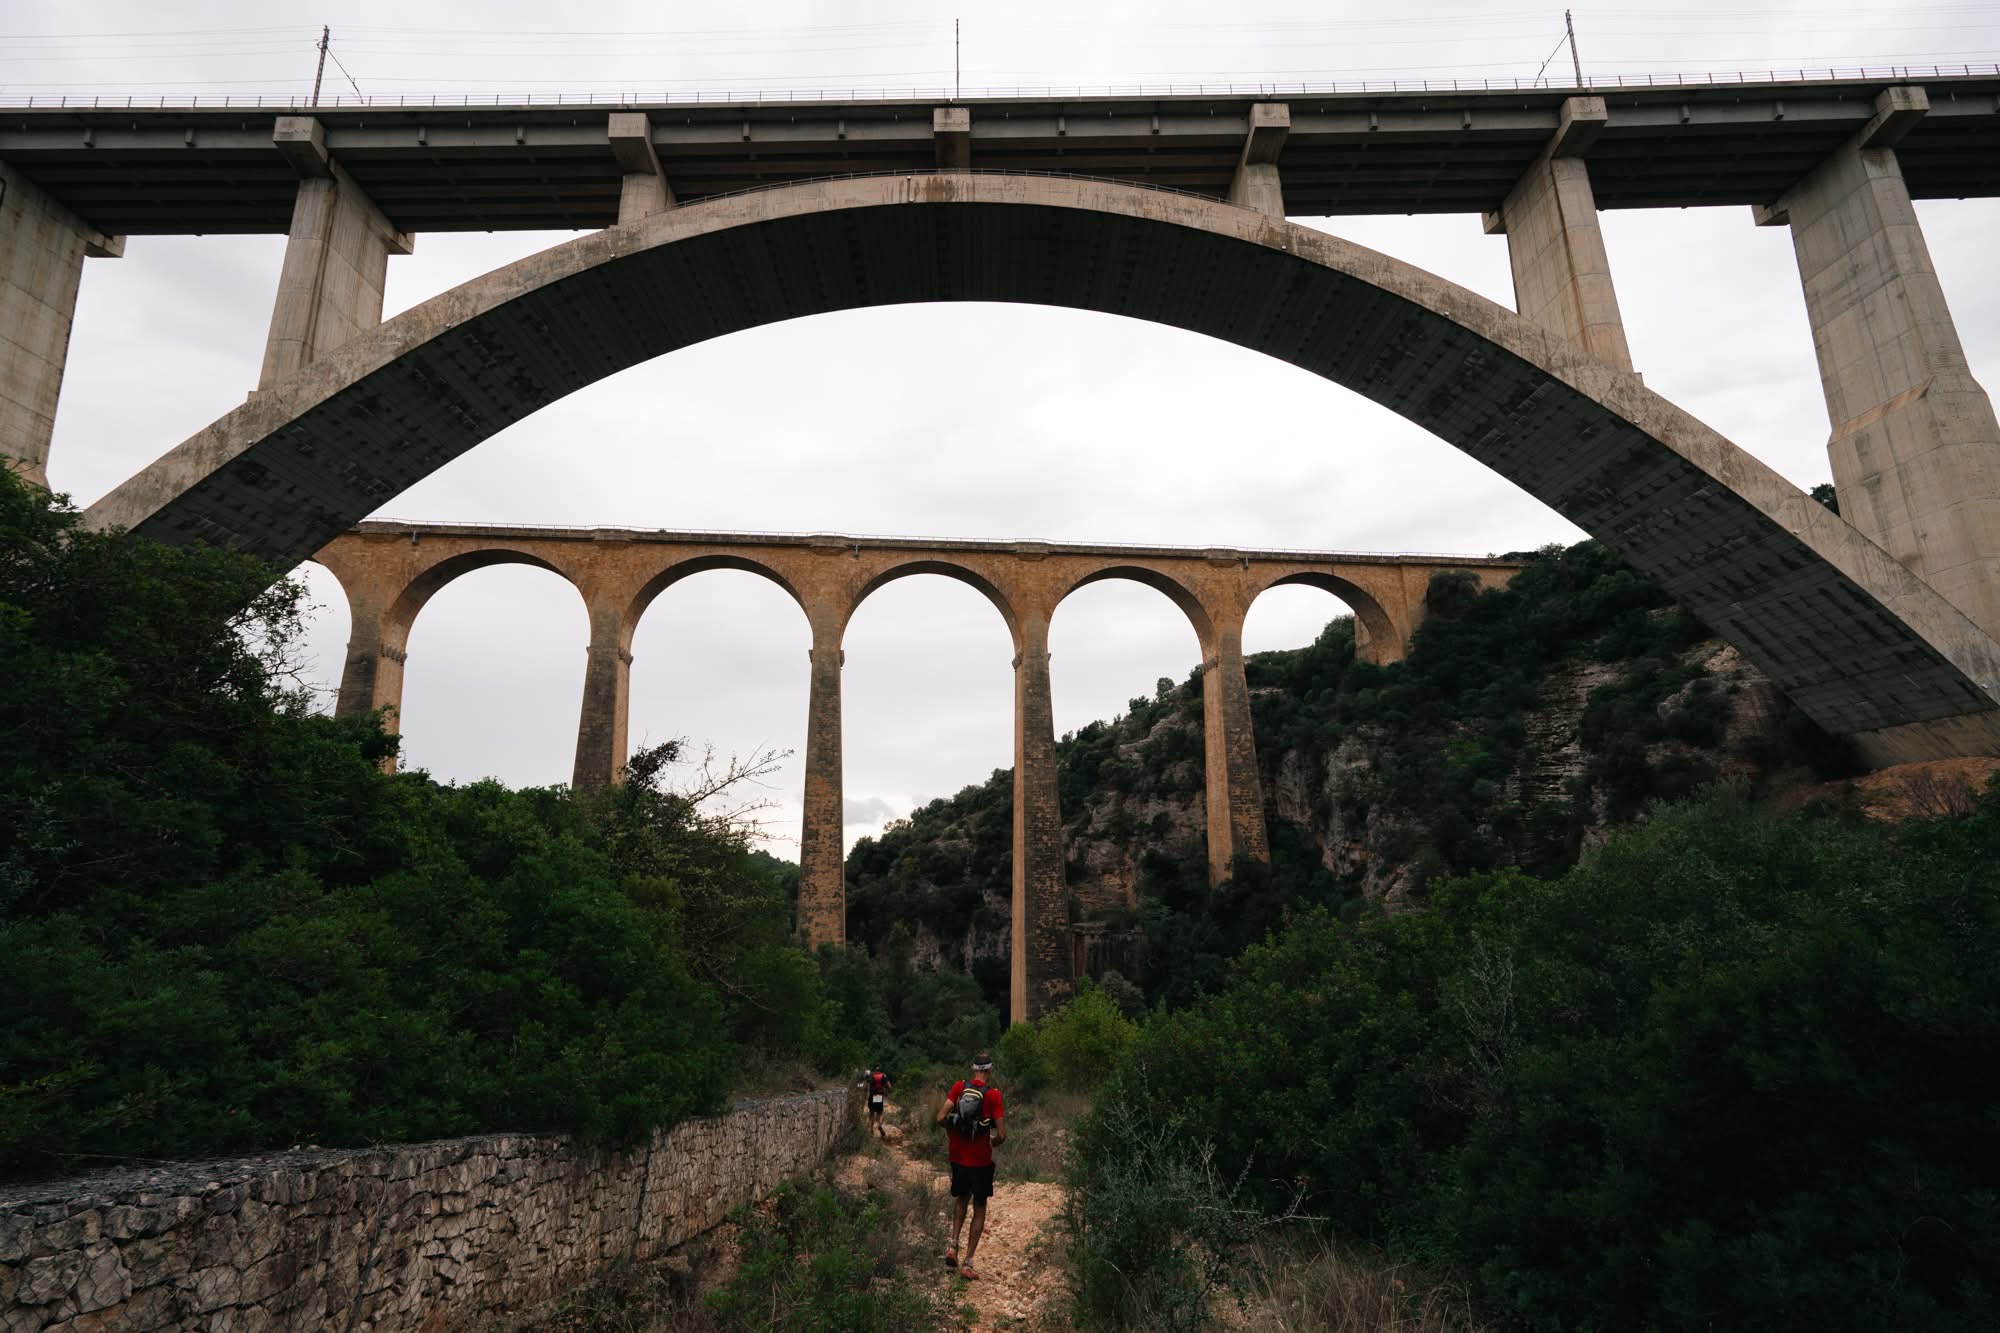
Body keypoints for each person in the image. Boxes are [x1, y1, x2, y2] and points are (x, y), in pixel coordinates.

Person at [935, 1051, 1005, 1279]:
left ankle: (952, 1246)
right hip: (981, 1160)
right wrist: (992, 1140)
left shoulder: (959, 1087)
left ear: (973, 1068)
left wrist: (953, 1135)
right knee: (980, 1206)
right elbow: (1002, 1134)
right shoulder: (993, 1095)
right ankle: (968, 1263)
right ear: (990, 1071)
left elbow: (940, 1117)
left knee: (961, 1199)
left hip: (958, 1157)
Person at [865, 1065, 894, 1139]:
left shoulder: (871, 1076)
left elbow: (865, 1083)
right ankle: (880, 1126)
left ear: (874, 1070)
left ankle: (871, 1129)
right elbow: (889, 1086)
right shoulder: (883, 1076)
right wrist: (887, 1091)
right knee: (879, 1113)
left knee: (871, 1113)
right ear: (880, 1071)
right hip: (878, 1096)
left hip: (872, 1095)